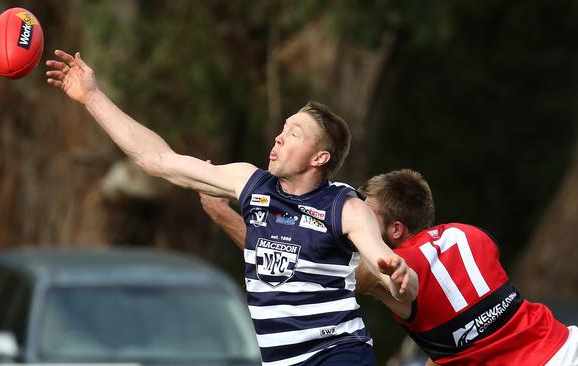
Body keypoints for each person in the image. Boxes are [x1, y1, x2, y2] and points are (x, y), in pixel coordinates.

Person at [45, 50, 418, 366]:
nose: (279, 137)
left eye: (295, 134)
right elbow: (156, 159)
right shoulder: (249, 182)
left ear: (319, 157)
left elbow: (389, 272)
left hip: (338, 354)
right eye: (283, 128)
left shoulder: (346, 207)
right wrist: (91, 96)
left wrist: (401, 279)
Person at [200, 169, 578, 365]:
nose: (349, 221)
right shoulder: (472, 234)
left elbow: (295, 260)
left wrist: (222, 214)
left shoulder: (390, 273)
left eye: (364, 213)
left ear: (396, 229)